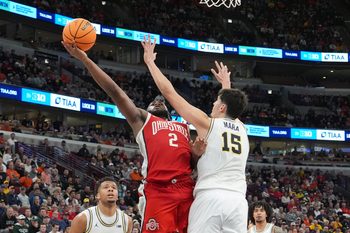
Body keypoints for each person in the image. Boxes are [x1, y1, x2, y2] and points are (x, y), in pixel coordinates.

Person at [62, 41, 206, 233]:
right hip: (159, 190)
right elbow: (115, 92)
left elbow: (192, 165)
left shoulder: (183, 126)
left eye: (161, 101)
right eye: (153, 101)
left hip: (186, 187)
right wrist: (85, 60)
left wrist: (195, 154)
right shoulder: (142, 121)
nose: (158, 100)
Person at [142, 36, 249, 233]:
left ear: (222, 107)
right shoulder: (243, 128)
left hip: (211, 198)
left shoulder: (207, 124)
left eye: (216, 102)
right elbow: (232, 108)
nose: (213, 104)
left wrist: (150, 62)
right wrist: (226, 84)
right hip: (238, 203)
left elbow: (169, 93)